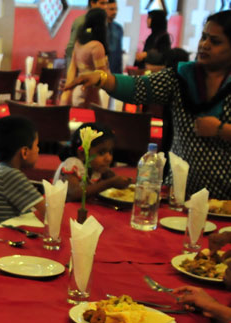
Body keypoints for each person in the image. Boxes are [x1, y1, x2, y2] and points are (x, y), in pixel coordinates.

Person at [64, 10, 231, 199]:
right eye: (204, 37)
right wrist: (102, 79)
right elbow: (139, 87)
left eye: (215, 41)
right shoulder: (182, 77)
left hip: (226, 197)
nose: (204, 45)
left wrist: (221, 130)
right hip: (178, 193)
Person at [0, 116, 45, 228]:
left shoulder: (3, 171)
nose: (38, 150)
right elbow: (47, 211)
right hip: (0, 235)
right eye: (36, 145)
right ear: (24, 152)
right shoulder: (11, 176)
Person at [53, 123, 131, 202]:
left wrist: (126, 181)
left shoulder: (96, 168)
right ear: (82, 153)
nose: (108, 158)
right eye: (101, 153)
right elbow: (73, 194)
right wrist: (109, 183)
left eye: (110, 152)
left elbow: (117, 180)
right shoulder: (73, 164)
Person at [61, 8, 111, 107]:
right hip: (92, 95)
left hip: (78, 92)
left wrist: (66, 92)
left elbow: (72, 70)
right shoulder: (96, 47)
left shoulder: (78, 43)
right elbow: (101, 76)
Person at [65, 0, 108, 67]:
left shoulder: (104, 23)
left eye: (106, 3)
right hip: (83, 69)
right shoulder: (81, 22)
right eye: (102, 3)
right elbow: (70, 48)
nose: (105, 7)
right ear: (92, 3)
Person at [106, 0, 124, 74]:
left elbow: (119, 52)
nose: (115, 12)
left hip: (116, 71)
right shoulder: (99, 28)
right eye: (111, 9)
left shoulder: (119, 28)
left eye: (116, 9)